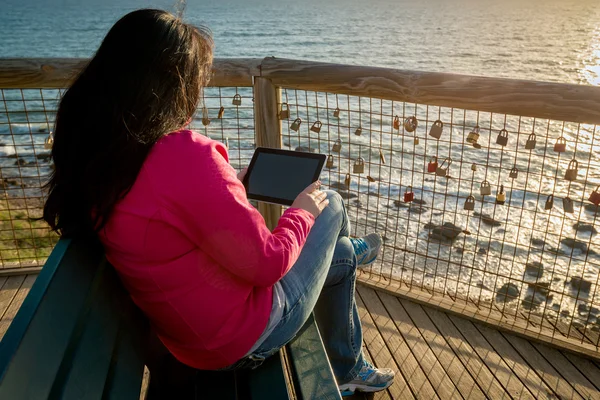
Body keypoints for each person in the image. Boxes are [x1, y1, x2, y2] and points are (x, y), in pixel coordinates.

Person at [42, 9, 395, 397]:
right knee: (330, 201)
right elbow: (268, 262)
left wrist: (228, 189)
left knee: (338, 253)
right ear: (173, 86)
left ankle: (349, 342)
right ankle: (356, 256)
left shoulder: (106, 158)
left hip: (185, 336)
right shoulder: (180, 154)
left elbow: (167, 220)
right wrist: (303, 211)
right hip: (244, 337)